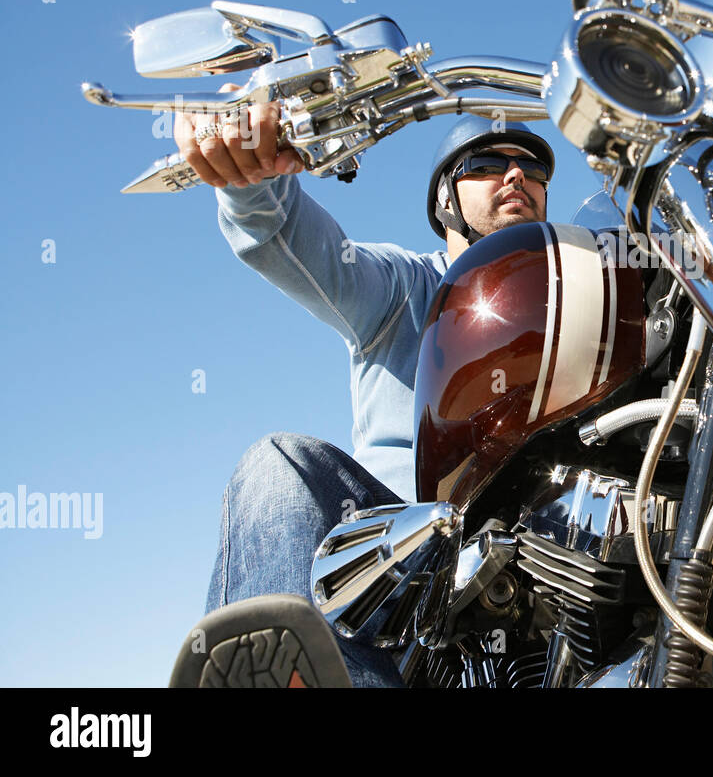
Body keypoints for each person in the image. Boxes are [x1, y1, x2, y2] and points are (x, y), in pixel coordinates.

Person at [168, 98, 554, 687]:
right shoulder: (405, 288)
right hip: (405, 567)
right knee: (278, 468)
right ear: (444, 201)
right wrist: (253, 177)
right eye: (485, 163)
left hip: (548, 574)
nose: (515, 175)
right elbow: (297, 245)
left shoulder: (575, 306)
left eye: (531, 167)